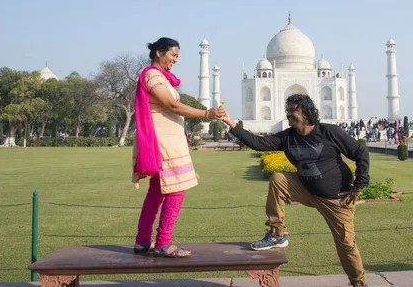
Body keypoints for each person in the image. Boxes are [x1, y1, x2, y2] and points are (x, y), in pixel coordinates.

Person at [220, 94, 370, 287]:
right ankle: (277, 233)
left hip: (336, 199)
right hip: (306, 190)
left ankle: (359, 283)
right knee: (278, 178)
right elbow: (259, 143)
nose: (289, 114)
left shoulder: (329, 132)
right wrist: (231, 124)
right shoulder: (288, 136)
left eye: (293, 110)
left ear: (306, 113)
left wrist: (359, 185)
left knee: (346, 245)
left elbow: (361, 152)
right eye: (288, 110)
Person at [132, 37, 225, 258]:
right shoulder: (153, 75)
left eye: (177, 57)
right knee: (176, 189)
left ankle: (143, 241)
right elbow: (172, 105)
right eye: (172, 55)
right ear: (158, 53)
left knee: (156, 192)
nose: (174, 60)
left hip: (167, 140)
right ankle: (163, 242)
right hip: (164, 142)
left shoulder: (160, 77)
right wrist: (206, 114)